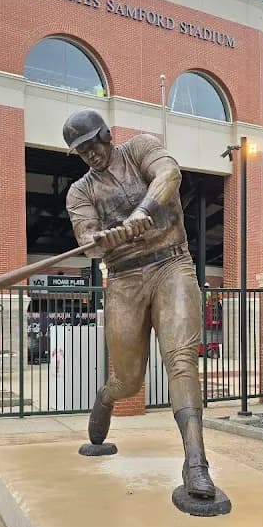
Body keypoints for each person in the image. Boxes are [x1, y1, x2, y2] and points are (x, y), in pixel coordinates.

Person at [63, 108, 221, 504]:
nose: (90, 155)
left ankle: (196, 464)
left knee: (181, 359)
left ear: (106, 135)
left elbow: (170, 175)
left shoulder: (140, 148)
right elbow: (88, 240)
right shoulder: (80, 191)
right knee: (129, 381)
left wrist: (142, 213)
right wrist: (107, 238)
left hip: (172, 263)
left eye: (92, 144)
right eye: (81, 151)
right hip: (124, 280)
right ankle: (106, 397)